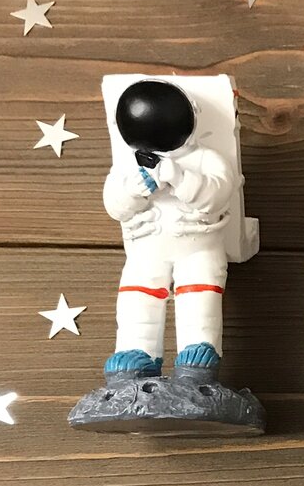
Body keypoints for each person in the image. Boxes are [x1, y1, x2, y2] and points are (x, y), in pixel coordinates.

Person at [102, 79, 239, 380]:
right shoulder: (127, 167)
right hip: (145, 250)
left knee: (199, 298)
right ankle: (135, 356)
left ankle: (197, 360)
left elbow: (218, 194)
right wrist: (132, 192)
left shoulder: (206, 160)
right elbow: (114, 205)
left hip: (199, 248)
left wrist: (181, 178)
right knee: (138, 299)